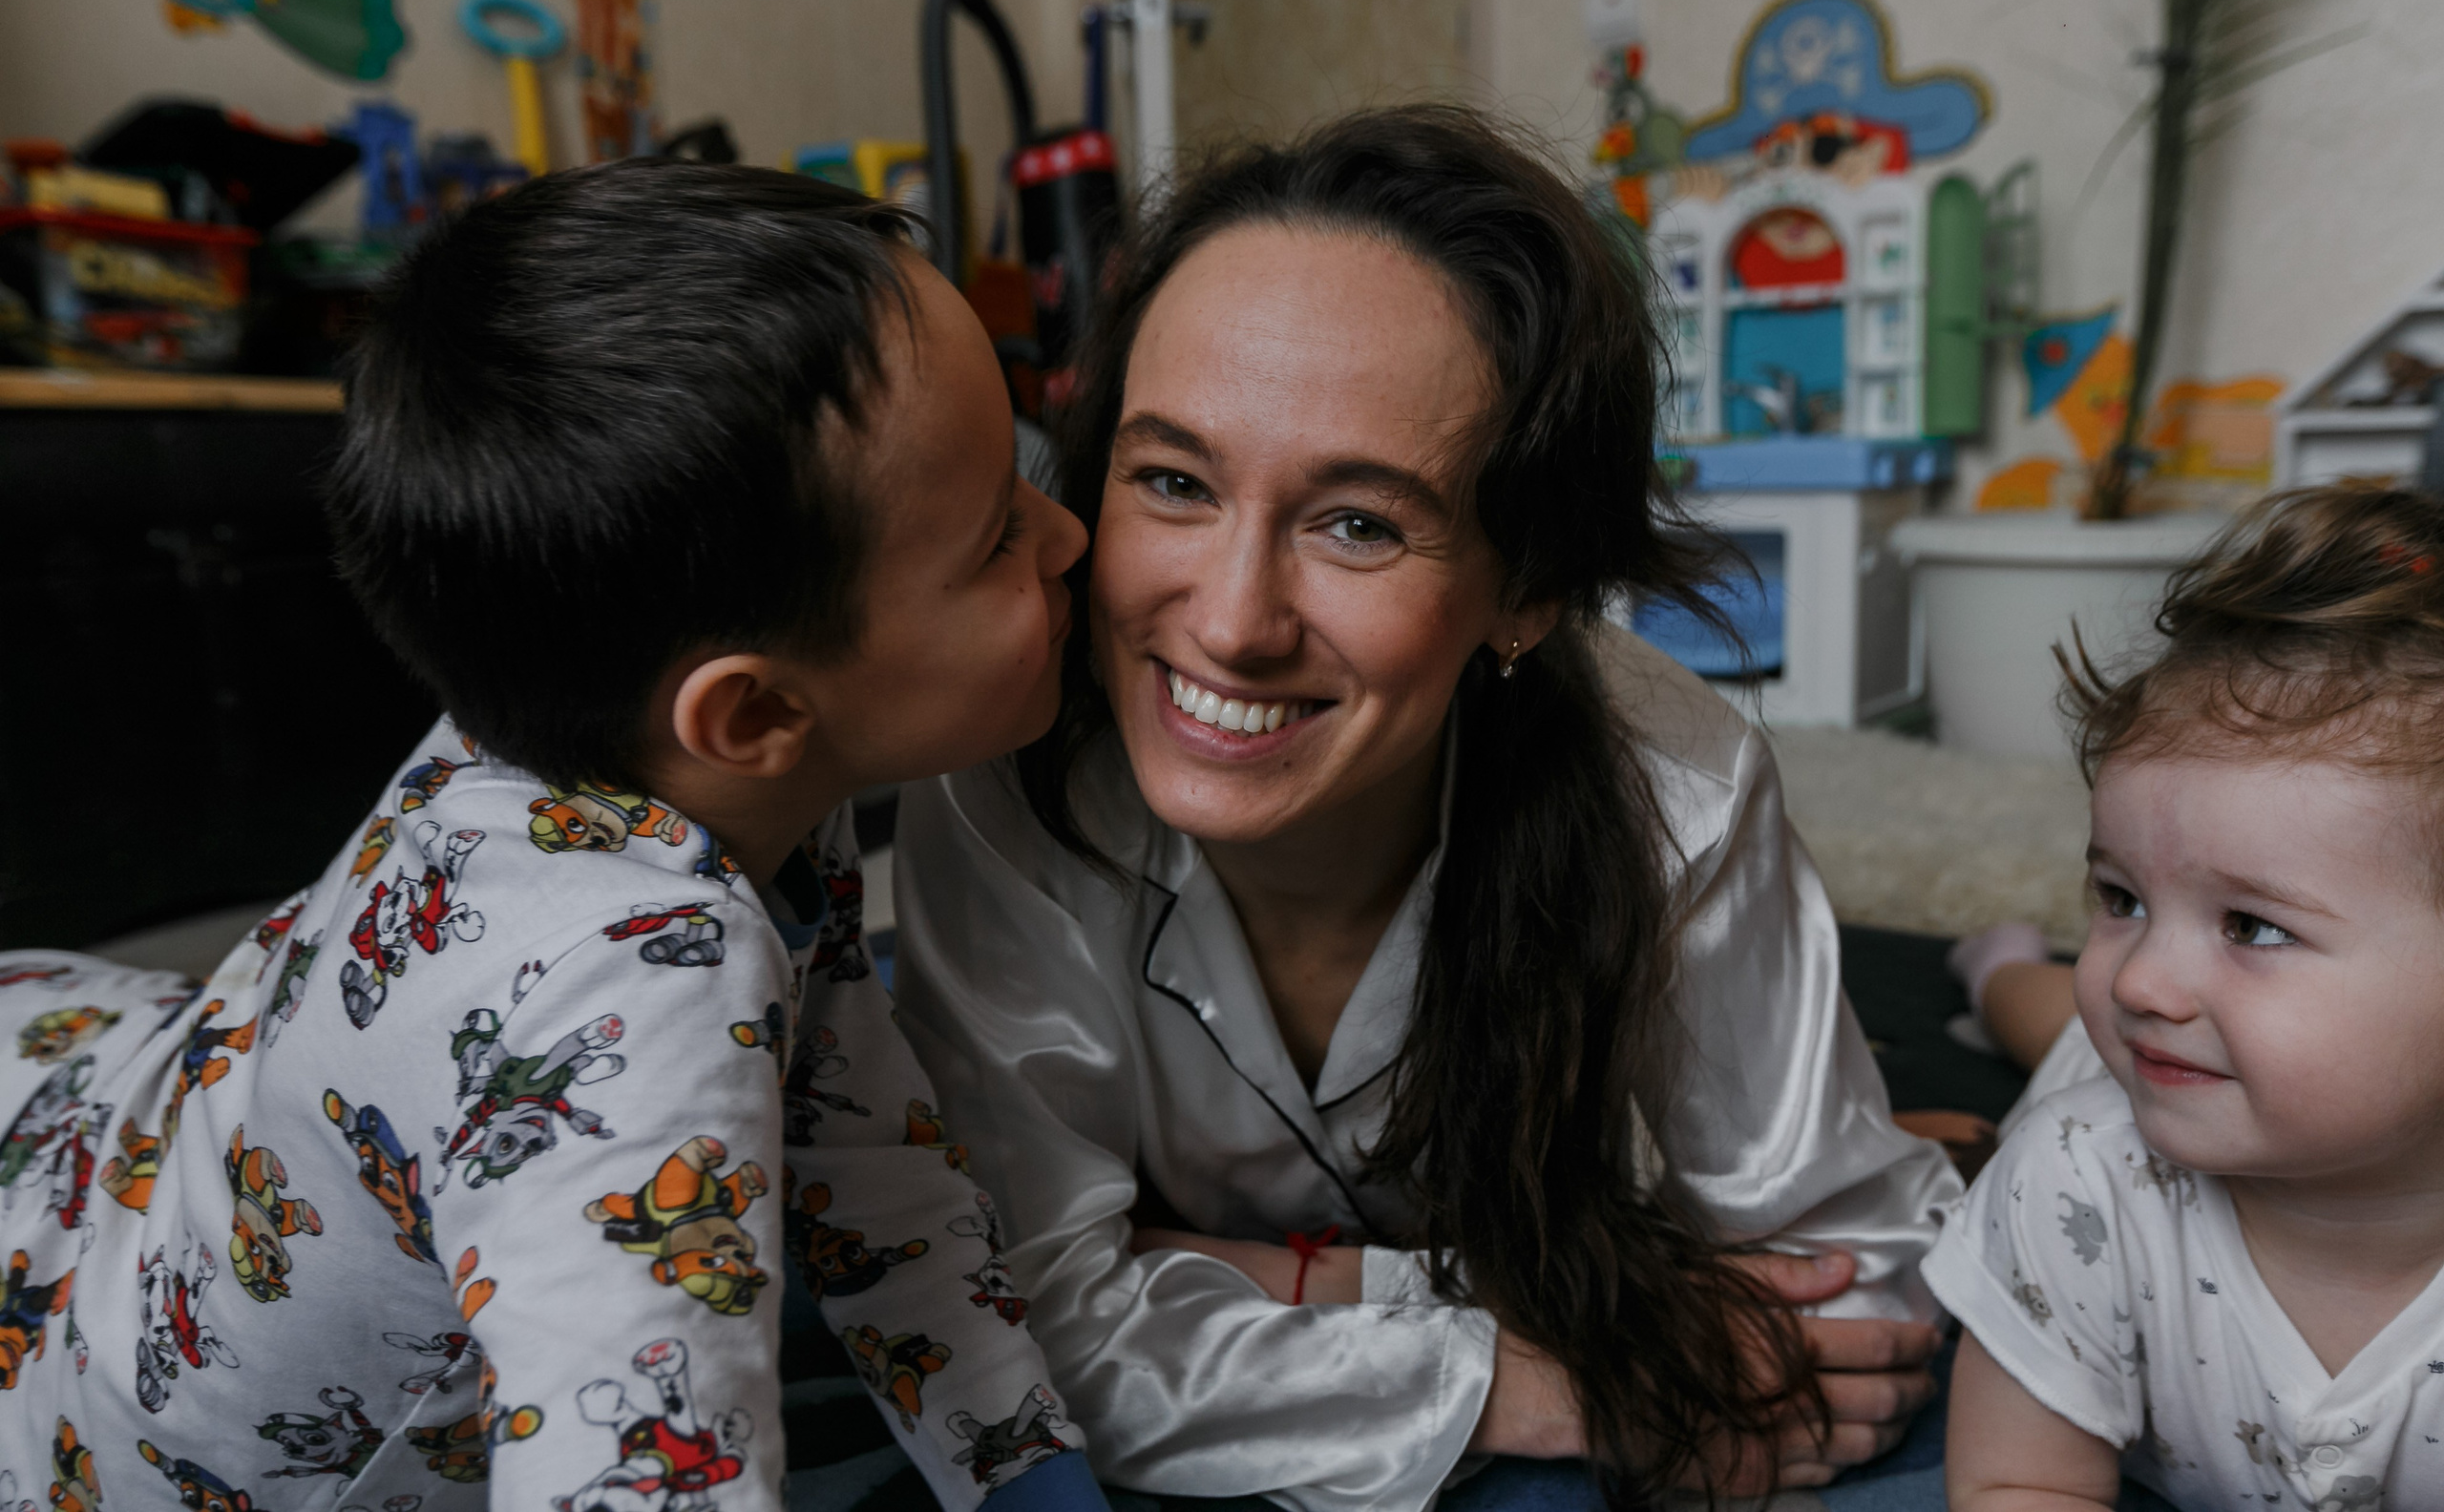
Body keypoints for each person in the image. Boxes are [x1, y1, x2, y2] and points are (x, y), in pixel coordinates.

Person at [892, 106, 1959, 1511]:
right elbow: (1003, 1331)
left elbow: (1847, 1299)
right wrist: (1538, 1366)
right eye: (1173, 480)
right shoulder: (1001, 773)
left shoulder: (1674, 792)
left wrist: (1236, 1277)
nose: (1230, 618)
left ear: (1526, 590)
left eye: (1359, 523)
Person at [0, 162, 1109, 1511]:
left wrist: (1026, 1469)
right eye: (1001, 531)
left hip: (132, 1118)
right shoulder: (644, 999)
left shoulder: (637, 743)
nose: (1068, 535)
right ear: (754, 706)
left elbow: (865, 1150)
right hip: (109, 1420)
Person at [1930, 486, 2444, 1510]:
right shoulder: (2075, 1179)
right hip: (2125, 1088)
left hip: (2179, 1070)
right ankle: (1990, 965)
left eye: (2252, 925)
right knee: (2052, 1024)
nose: (2138, 974)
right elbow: (2019, 1484)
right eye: (2119, 897)